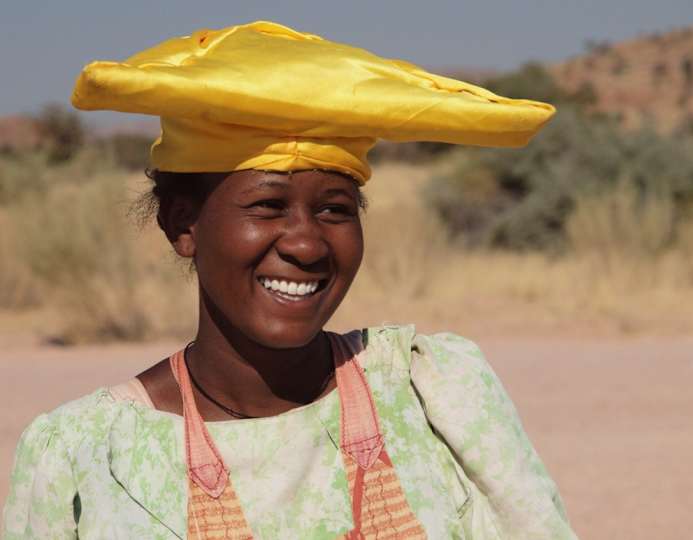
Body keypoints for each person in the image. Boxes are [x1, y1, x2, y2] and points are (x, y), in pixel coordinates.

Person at [2, 21, 577, 539]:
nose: (305, 244)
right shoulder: (86, 455)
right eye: (268, 206)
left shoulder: (433, 393)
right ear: (183, 225)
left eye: (334, 209)